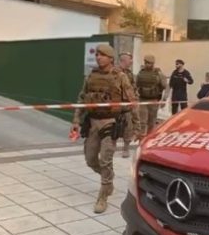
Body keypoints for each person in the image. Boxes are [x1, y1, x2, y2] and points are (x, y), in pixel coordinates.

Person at [71, 44, 137, 213]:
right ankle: (108, 178)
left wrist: (137, 127)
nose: (98, 57)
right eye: (97, 55)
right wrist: (76, 120)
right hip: (92, 122)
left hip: (110, 122)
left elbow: (132, 102)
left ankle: (103, 194)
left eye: (102, 55)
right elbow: (81, 98)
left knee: (105, 159)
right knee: (90, 159)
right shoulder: (91, 76)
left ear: (110, 58)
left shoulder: (120, 77)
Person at [117, 52, 142, 158]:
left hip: (127, 105)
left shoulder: (129, 73)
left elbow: (133, 87)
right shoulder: (114, 72)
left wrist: (135, 97)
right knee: (112, 127)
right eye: (129, 60)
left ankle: (125, 149)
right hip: (116, 105)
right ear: (123, 60)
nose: (131, 62)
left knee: (128, 127)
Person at [136, 54, 167, 135]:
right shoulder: (141, 73)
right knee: (142, 122)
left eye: (149, 63)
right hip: (143, 100)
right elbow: (136, 85)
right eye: (146, 62)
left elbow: (165, 85)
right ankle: (142, 138)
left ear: (153, 63)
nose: (147, 64)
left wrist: (164, 99)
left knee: (151, 122)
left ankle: (149, 137)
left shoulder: (158, 73)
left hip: (154, 100)